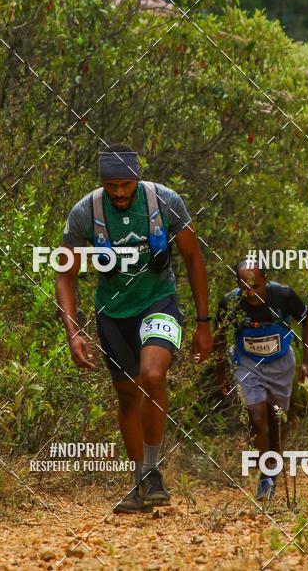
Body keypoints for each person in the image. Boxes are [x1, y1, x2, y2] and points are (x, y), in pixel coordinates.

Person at [56, 144, 213, 513]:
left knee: (153, 375)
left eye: (126, 185)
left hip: (159, 302)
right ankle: (139, 481)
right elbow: (65, 273)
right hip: (113, 313)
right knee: (128, 397)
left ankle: (153, 472)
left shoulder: (165, 202)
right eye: (111, 186)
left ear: (137, 180)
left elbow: (193, 257)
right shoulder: (86, 211)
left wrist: (203, 323)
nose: (119, 193)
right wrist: (73, 332)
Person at [214, 258, 308, 501]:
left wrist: (307, 362)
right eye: (244, 287)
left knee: (276, 418)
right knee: (256, 416)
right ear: (237, 283)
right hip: (247, 362)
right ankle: (265, 476)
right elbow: (219, 337)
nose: (250, 293)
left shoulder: (283, 295)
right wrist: (221, 375)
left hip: (280, 363)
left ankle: (274, 464)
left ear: (265, 280)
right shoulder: (230, 303)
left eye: (256, 286)